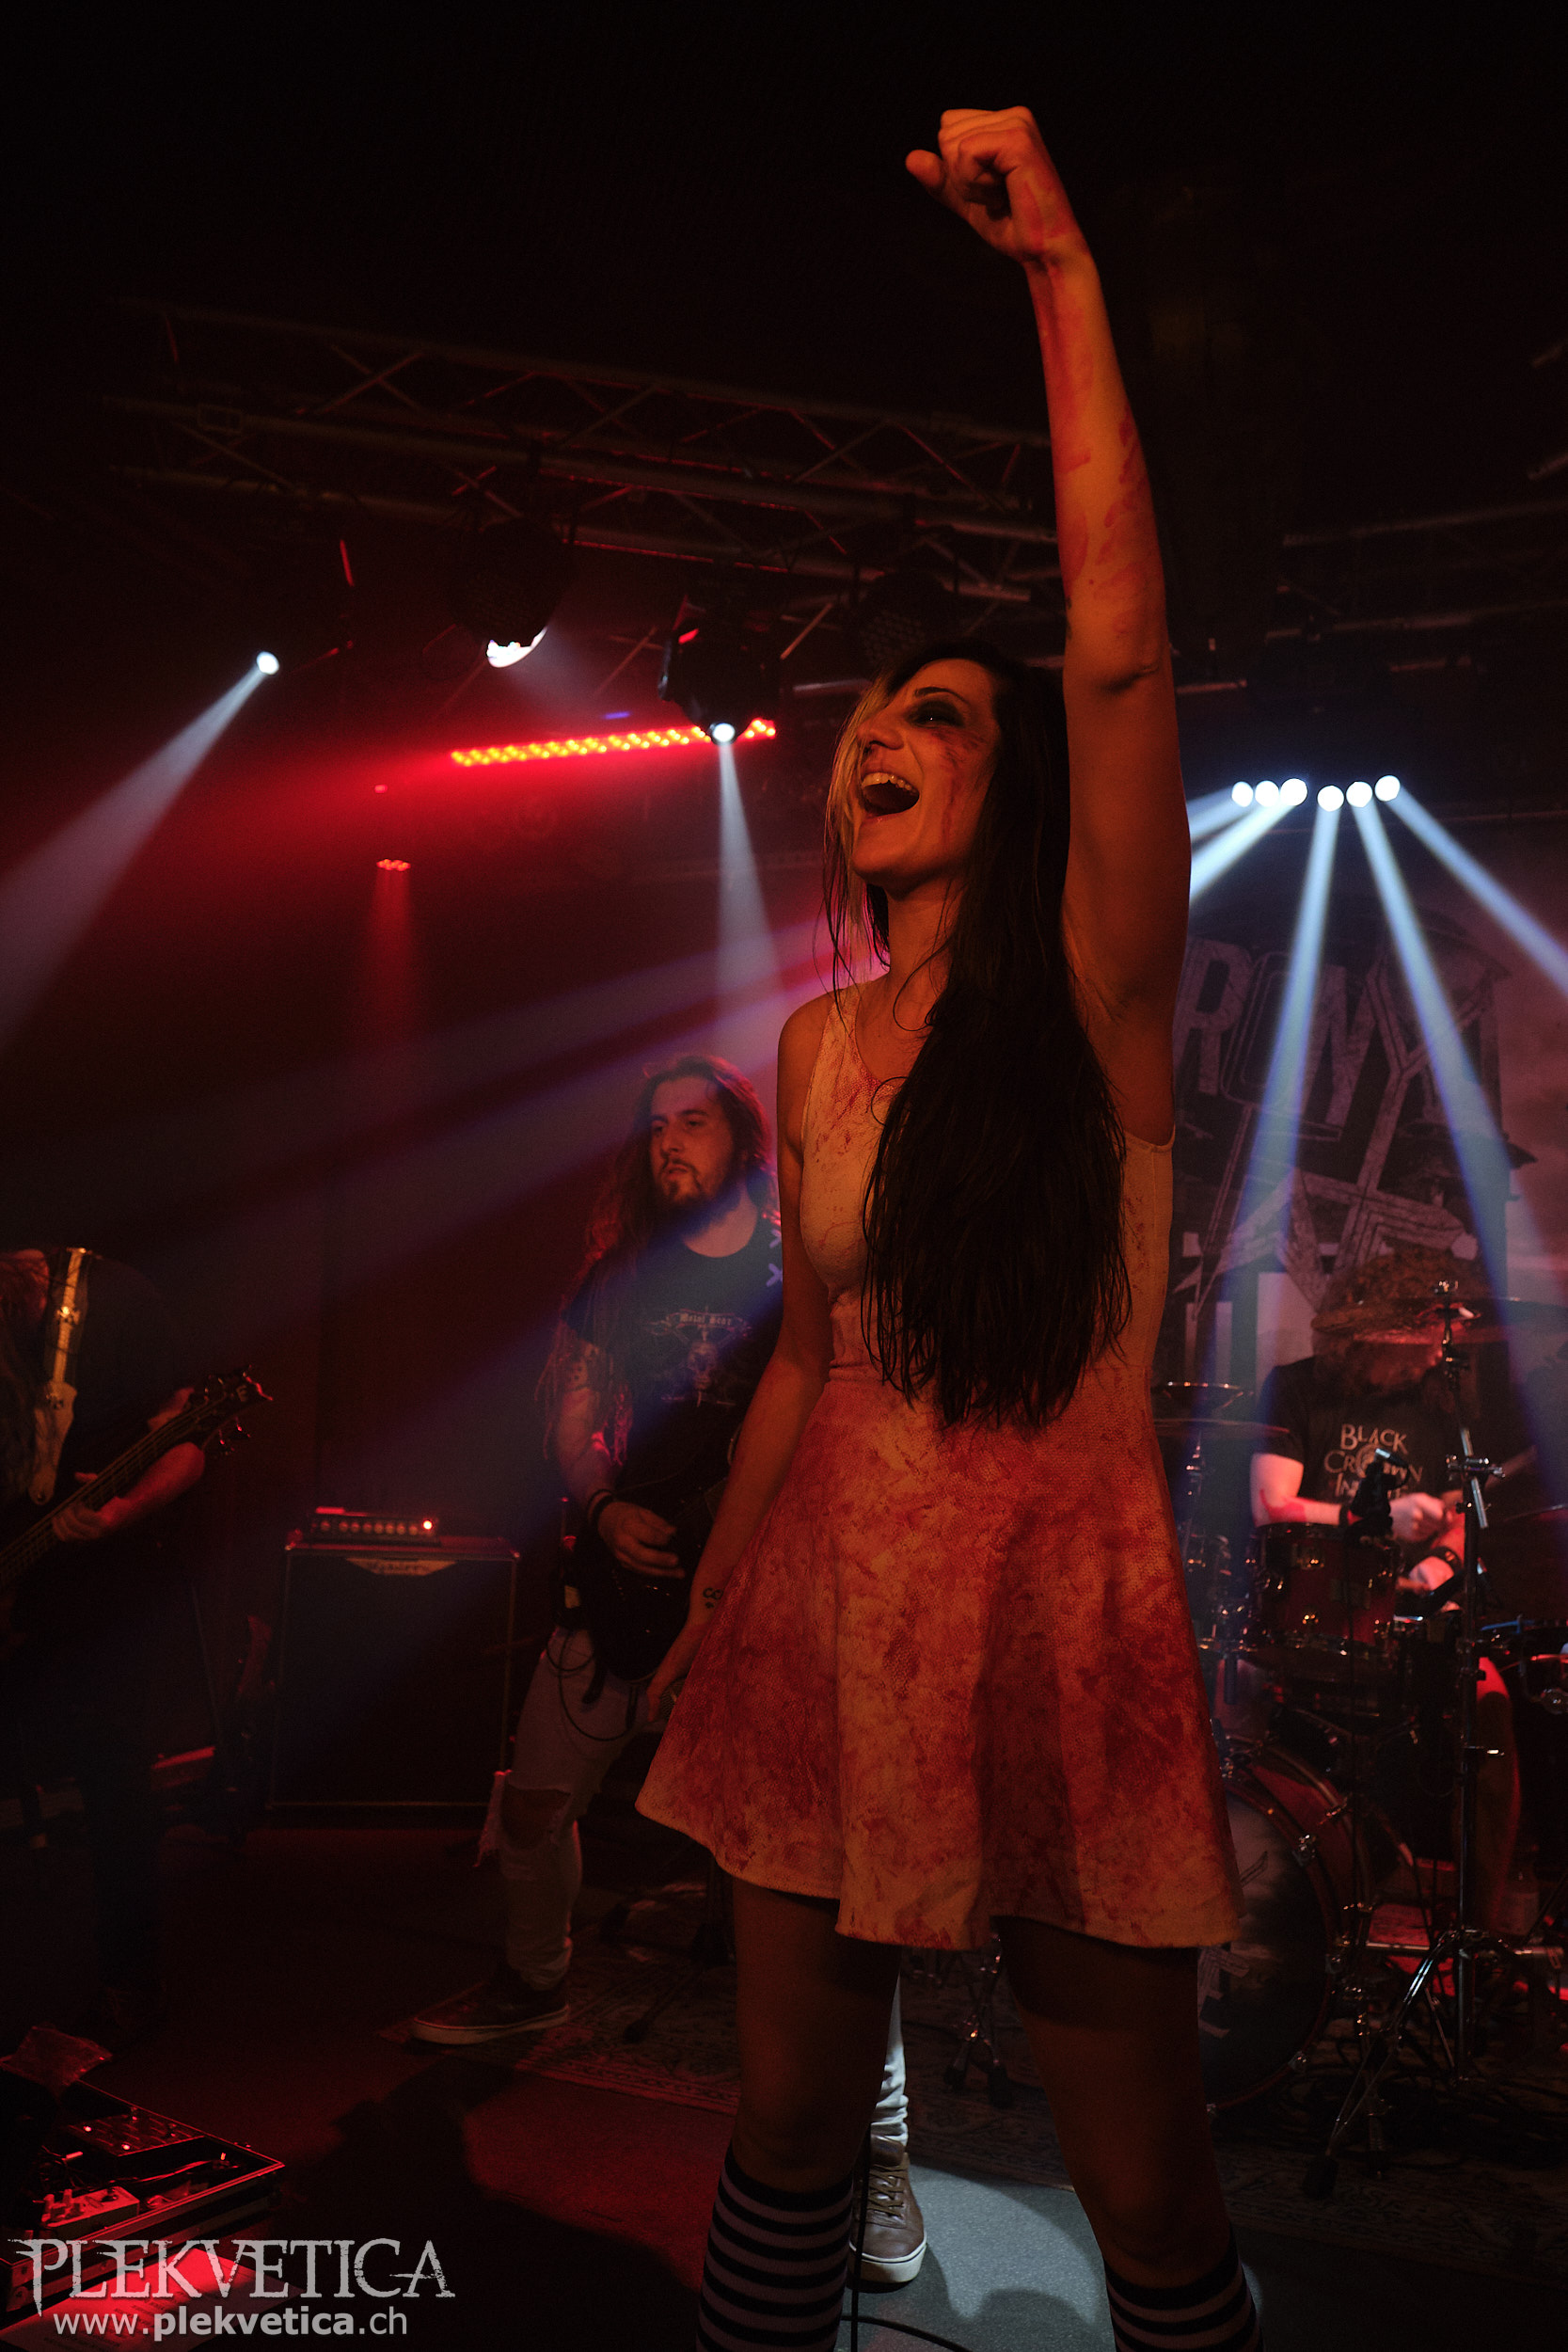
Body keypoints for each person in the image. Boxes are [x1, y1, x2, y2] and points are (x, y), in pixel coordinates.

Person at [639, 109, 1259, 2352]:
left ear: (1017, 787)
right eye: (874, 716)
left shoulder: (1094, 996)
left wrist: (1061, 273)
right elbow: (811, 1364)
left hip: (1050, 1611)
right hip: (824, 1604)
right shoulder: (814, 1048)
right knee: (792, 2125)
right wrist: (718, 1595)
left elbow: (1120, 658)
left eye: (944, 717)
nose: (884, 736)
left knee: (1145, 2181)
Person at [407, 1055, 928, 2287]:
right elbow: (570, 1404)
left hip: (769, 1594)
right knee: (535, 1803)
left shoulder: (800, 1267)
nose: (668, 1144)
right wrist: (599, 1504)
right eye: (653, 1128)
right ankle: (532, 1978)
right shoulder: (622, 1272)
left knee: (819, 1877)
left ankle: (881, 2147)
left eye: (692, 1121)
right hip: (626, 1587)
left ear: (742, 1135)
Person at [1251, 1244, 1522, 1931]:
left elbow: (1463, 1517)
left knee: (1490, 1715)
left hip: (1407, 1617)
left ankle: (1479, 1934)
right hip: (1310, 1611)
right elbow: (1271, 1506)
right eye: (1427, 1339)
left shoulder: (1442, 1403)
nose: (1436, 1357)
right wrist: (1374, 1517)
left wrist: (1441, 1564)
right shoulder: (1298, 1388)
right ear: (1385, 1328)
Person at [0, 1244, 204, 2049]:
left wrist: (121, 1511)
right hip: (23, 1577)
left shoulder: (117, 1299)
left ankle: (132, 1985)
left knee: (114, 1780)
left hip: (105, 1589)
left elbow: (185, 1440)